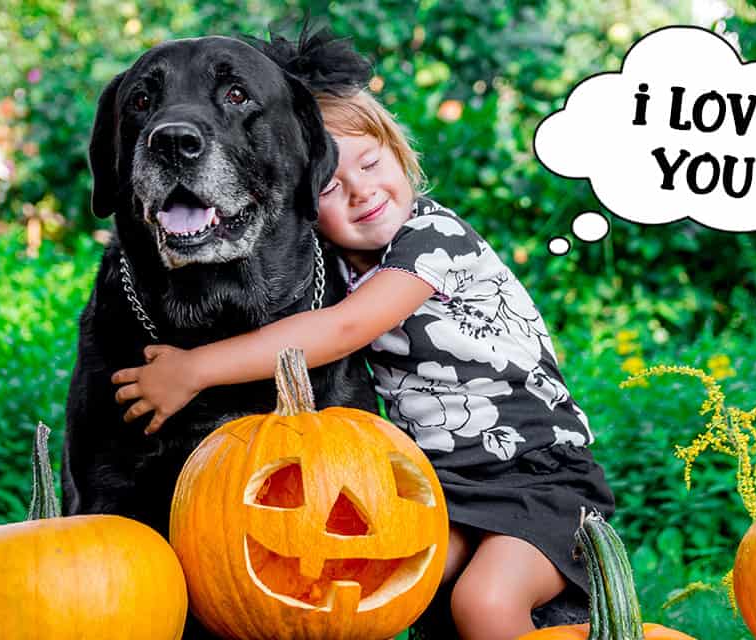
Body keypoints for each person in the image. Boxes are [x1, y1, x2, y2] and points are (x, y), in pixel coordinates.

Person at [112, 87, 614, 640]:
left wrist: (195, 369)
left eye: (372, 163)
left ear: (400, 153)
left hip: (537, 476)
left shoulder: (432, 238)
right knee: (371, 583)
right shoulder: (342, 265)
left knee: (484, 602)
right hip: (451, 488)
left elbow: (340, 330)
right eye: (330, 185)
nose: (362, 191)